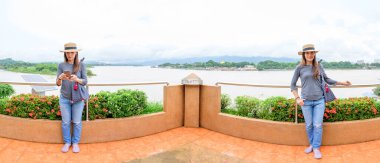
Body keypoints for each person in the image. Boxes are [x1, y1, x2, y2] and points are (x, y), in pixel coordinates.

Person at [290, 44, 351, 159]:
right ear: (304, 55)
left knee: (317, 125)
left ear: (315, 54)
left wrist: (342, 82)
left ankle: (316, 147)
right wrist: (297, 98)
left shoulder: (319, 66)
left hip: (319, 101)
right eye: (307, 53)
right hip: (305, 102)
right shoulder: (299, 68)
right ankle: (312, 145)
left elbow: (327, 79)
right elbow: (292, 85)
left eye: (312, 53)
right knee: (309, 125)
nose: (310, 55)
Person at [56, 42, 88, 153]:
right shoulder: (61, 65)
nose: (70, 55)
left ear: (76, 53)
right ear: (65, 54)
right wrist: (60, 78)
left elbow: (85, 81)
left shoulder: (81, 65)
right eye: (67, 53)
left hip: (78, 99)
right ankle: (67, 142)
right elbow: (58, 84)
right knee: (65, 122)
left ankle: (75, 143)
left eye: (72, 52)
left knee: (77, 122)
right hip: (64, 98)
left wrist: (77, 79)